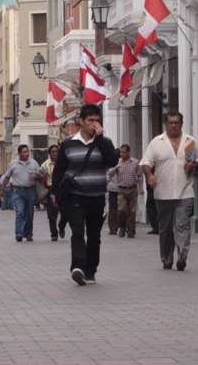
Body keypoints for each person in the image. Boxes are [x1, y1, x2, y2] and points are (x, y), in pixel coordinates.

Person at [51, 104, 119, 285]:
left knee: (94, 235)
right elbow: (59, 170)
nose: (94, 124)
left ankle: (91, 270)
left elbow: (113, 161)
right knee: (78, 232)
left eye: (97, 120)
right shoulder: (68, 143)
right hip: (75, 195)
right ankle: (78, 268)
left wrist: (100, 138)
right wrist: (54, 192)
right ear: (81, 121)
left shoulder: (105, 142)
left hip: (97, 196)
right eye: (91, 120)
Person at [141, 111, 198, 272]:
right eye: (171, 123)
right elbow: (146, 162)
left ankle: (182, 256)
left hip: (185, 190)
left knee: (183, 225)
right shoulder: (157, 142)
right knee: (165, 228)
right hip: (163, 192)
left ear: (181, 124)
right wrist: (150, 176)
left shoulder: (190, 142)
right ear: (166, 124)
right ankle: (167, 258)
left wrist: (193, 165)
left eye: (177, 122)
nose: (174, 125)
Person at [1, 144, 43, 242]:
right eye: (24, 152)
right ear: (19, 153)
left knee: (29, 213)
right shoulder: (13, 164)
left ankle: (28, 233)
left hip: (30, 190)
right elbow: (7, 177)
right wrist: (2, 189)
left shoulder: (33, 163)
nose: (27, 153)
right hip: (18, 191)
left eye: (27, 151)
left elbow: (40, 175)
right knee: (20, 212)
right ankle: (19, 233)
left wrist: (36, 177)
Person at [107, 144, 144, 238]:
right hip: (121, 190)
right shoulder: (118, 162)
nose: (121, 154)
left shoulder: (135, 162)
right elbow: (109, 173)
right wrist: (107, 182)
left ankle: (131, 230)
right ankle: (122, 227)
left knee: (132, 211)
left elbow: (140, 175)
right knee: (121, 210)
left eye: (123, 152)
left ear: (128, 152)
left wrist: (141, 188)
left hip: (132, 189)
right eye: (120, 152)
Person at [39, 145, 61, 241]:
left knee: (66, 212)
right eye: (53, 152)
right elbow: (39, 175)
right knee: (52, 214)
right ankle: (54, 234)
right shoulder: (45, 165)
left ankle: (61, 225)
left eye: (57, 151)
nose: (55, 153)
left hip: (63, 189)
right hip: (51, 189)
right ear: (49, 154)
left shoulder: (64, 162)